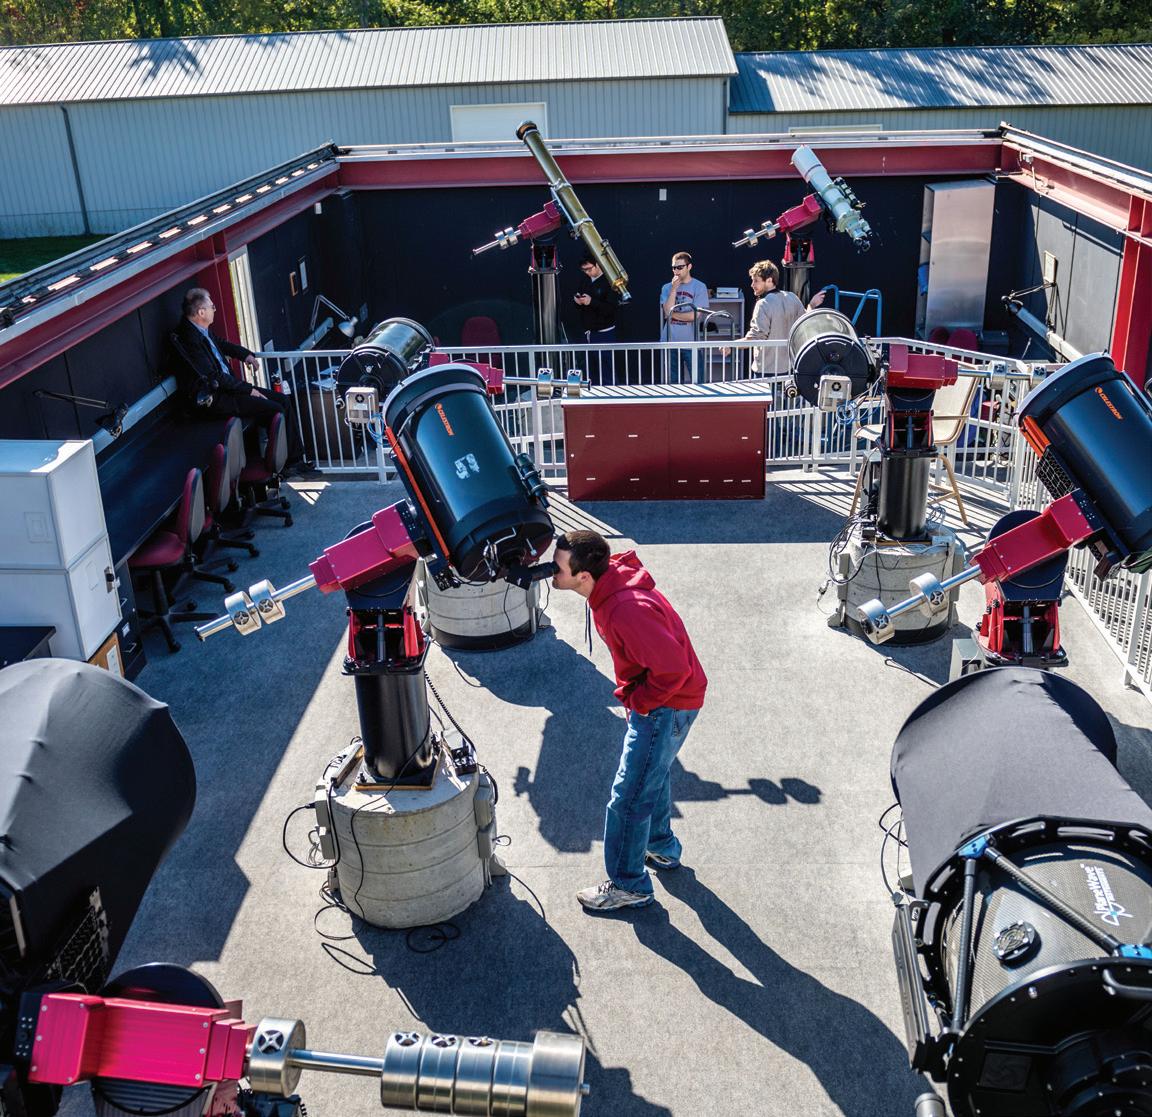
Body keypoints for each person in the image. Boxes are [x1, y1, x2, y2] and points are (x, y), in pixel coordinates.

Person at [552, 529, 707, 913]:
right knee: (654, 776)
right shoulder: (611, 584)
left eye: (557, 569)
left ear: (583, 576)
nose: (549, 573)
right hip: (669, 703)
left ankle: (628, 884)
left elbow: (673, 670)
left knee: (628, 797)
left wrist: (640, 703)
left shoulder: (625, 609)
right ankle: (660, 846)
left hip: (664, 706)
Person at [171, 287, 308, 468]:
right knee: (275, 409)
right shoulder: (189, 339)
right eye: (212, 307)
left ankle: (296, 459)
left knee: (283, 400)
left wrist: (245, 355)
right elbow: (214, 377)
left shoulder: (201, 330)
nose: (214, 310)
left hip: (231, 390)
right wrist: (249, 390)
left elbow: (221, 344)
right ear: (201, 312)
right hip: (218, 398)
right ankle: (281, 466)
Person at [739, 260, 826, 375]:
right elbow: (804, 321)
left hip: (766, 371)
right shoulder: (792, 297)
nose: (752, 285)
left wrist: (732, 346)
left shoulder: (763, 304)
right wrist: (812, 305)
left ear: (769, 280)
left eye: (756, 281)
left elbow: (756, 337)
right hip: (788, 370)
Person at [659, 251, 709, 385]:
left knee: (698, 381)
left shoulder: (699, 286)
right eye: (674, 268)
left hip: (691, 342)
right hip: (670, 341)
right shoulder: (667, 287)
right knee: (673, 383)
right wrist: (674, 289)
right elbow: (666, 310)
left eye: (680, 267)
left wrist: (672, 315)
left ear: (689, 267)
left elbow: (694, 316)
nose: (676, 271)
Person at [573, 255, 621, 385]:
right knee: (590, 370)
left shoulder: (609, 281)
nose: (587, 272)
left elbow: (611, 309)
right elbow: (580, 301)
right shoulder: (585, 280)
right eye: (584, 270)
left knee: (607, 370)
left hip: (604, 334)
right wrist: (578, 301)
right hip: (588, 333)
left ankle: (611, 393)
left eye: (589, 269)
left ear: (598, 264)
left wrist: (591, 302)